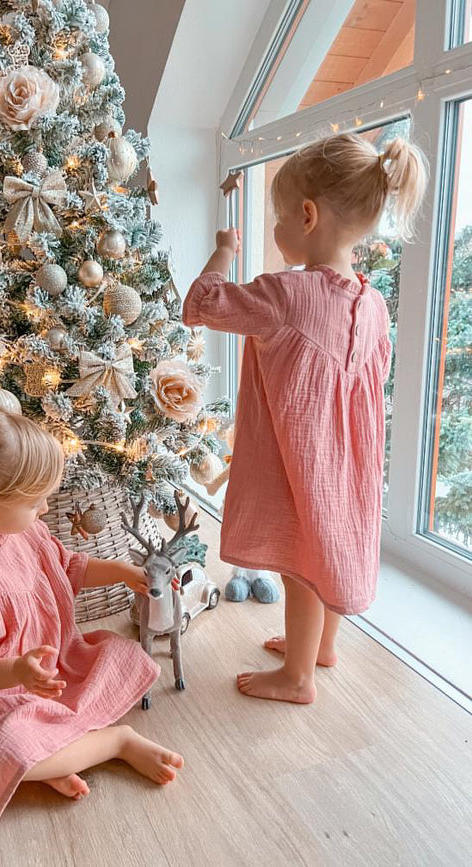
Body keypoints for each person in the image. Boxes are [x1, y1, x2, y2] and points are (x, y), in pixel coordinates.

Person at [183, 133, 427, 704]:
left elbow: (201, 305)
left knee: (300, 564)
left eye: (278, 218)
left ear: (308, 215)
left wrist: (223, 252)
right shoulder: (374, 301)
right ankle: (320, 648)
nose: (276, 229)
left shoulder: (285, 295)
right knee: (332, 550)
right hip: (353, 464)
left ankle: (297, 678)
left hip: (302, 459)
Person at [0, 407, 183, 838]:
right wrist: (15, 671)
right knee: (9, 748)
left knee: (120, 655)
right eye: (35, 501)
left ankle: (59, 755)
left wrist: (121, 571)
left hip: (47, 671)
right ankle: (112, 742)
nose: (46, 508)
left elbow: (69, 566)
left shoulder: (24, 533)